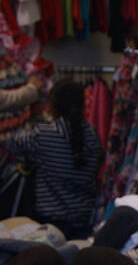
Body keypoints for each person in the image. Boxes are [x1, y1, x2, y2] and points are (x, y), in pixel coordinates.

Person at [2, 79, 100, 240]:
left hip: (50, 222)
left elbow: (12, 142)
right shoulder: (93, 135)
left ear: (52, 105)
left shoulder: (43, 134)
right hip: (84, 219)